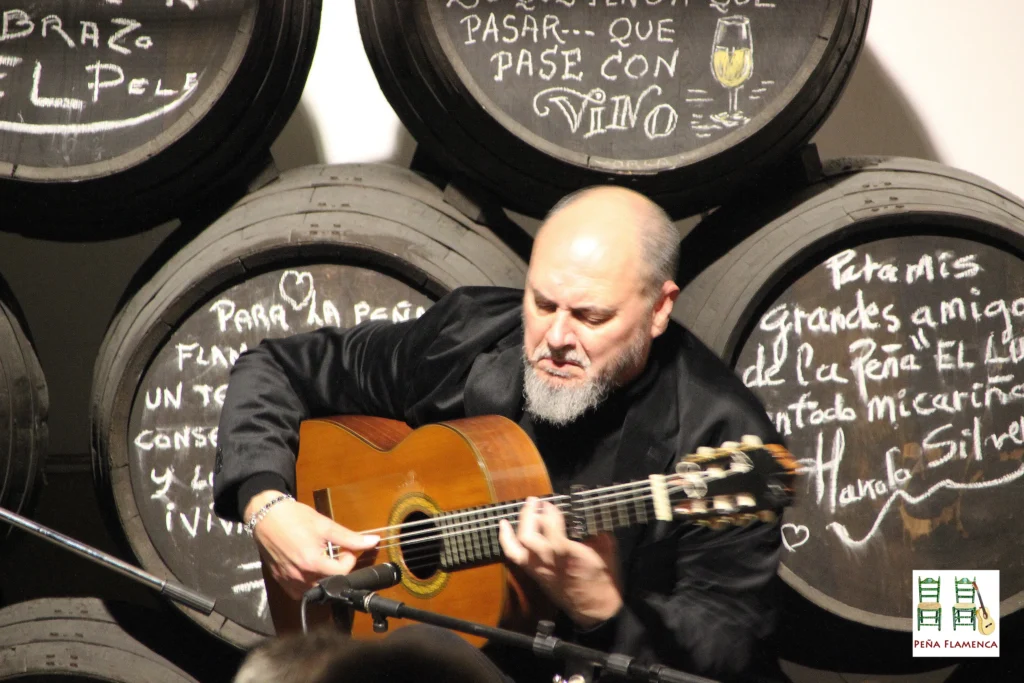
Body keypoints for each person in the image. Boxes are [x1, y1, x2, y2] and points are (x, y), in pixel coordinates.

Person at [213, 185, 786, 682]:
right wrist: (267, 506)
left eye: (590, 317)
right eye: (542, 303)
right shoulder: (471, 336)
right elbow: (278, 367)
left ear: (660, 309)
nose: (555, 338)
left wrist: (601, 611)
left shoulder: (721, 437)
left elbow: (727, 646)